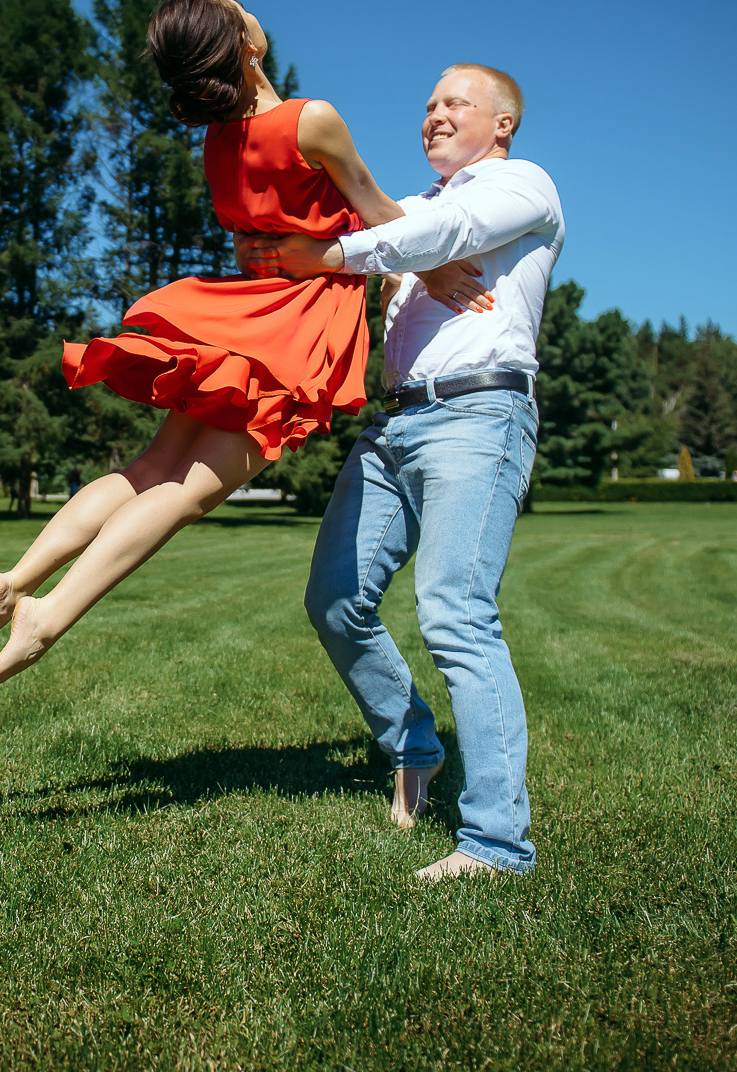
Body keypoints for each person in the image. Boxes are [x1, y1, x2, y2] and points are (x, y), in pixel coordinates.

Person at [0, 0, 490, 690]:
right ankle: (48, 615)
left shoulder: (218, 142)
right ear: (246, 46)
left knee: (150, 467)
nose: (248, 8)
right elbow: (379, 212)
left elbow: (248, 237)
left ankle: (14, 582)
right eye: (237, 11)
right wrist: (435, 271)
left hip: (243, 313)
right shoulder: (311, 120)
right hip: (297, 323)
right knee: (188, 490)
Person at [239, 63, 563, 881]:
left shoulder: (523, 186)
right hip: (393, 425)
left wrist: (328, 254)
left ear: (502, 123)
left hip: (478, 414)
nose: (433, 114)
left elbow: (440, 236)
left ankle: (497, 843)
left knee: (456, 612)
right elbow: (360, 226)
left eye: (455, 102)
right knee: (334, 599)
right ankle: (415, 742)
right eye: (426, 105)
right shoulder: (411, 208)